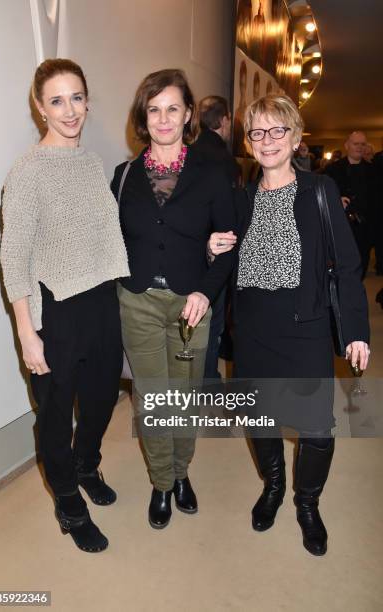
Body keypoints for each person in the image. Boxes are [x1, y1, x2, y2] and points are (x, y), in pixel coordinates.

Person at [209, 94, 370, 556]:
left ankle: (307, 503)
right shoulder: (241, 199)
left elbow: (347, 265)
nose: (268, 140)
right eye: (258, 132)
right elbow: (227, 262)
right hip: (254, 329)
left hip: (307, 326)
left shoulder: (318, 191)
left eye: (278, 130)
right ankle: (274, 487)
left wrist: (357, 330)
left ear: (296, 137)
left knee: (316, 427)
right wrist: (213, 250)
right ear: (249, 142)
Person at [0, 59, 130, 553]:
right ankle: (68, 502)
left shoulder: (93, 163)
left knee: (99, 403)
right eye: (56, 100)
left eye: (76, 97)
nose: (69, 109)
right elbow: (13, 255)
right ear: (40, 108)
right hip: (55, 309)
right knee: (55, 414)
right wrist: (26, 332)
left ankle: (85, 463)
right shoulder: (28, 169)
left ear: (87, 100)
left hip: (101, 302)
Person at [111, 69, 235, 529]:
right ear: (145, 117)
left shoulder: (211, 174)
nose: (163, 118)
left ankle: (182, 473)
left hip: (191, 304)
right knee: (152, 398)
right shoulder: (124, 176)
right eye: (154, 109)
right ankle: (163, 483)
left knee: (183, 397)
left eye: (173, 108)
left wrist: (206, 288)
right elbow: (113, 242)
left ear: (188, 116)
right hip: (138, 300)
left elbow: (228, 241)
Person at [194, 95, 240, 379]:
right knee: (213, 323)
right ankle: (208, 379)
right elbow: (231, 218)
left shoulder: (189, 154)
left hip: (189, 251)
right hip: (218, 252)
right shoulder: (225, 161)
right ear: (224, 121)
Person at [325, 131, 380, 278]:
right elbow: (322, 196)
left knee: (361, 266)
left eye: (363, 144)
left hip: (366, 229)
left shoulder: (374, 170)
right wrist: (336, 200)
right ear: (347, 145)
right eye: (356, 143)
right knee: (341, 268)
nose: (360, 147)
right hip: (341, 228)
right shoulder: (332, 170)